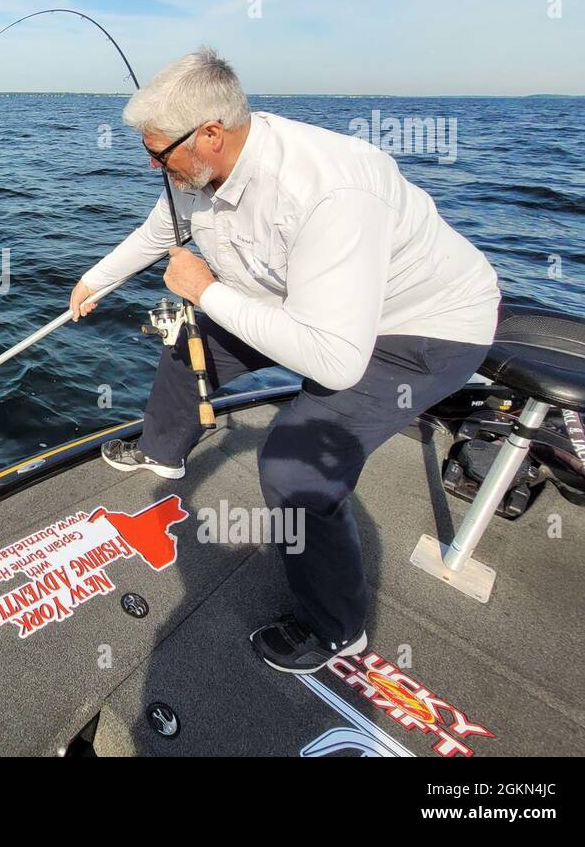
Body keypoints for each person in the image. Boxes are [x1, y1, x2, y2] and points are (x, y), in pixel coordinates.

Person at [70, 47, 500, 673]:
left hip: (417, 333)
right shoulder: (196, 173)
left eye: (157, 152)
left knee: (295, 469)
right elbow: (161, 229)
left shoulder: (330, 189)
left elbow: (336, 361)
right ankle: (163, 450)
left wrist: (206, 289)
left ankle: (336, 629)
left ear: (210, 134)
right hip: (302, 305)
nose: (151, 164)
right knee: (193, 341)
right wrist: (97, 280)